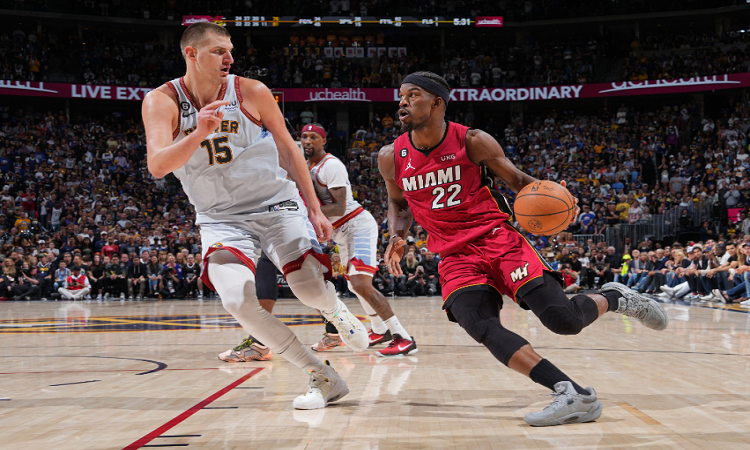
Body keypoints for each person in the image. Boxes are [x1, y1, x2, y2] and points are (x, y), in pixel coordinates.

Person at [378, 71, 669, 427]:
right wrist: (396, 236)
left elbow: (518, 181)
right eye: (401, 95)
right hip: (455, 256)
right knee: (479, 325)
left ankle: (616, 297)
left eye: (413, 95)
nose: (402, 101)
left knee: (563, 321)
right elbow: (399, 204)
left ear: (437, 102)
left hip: (498, 241)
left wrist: (560, 197)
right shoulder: (391, 156)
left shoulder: (472, 141)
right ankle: (571, 393)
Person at [141, 22, 367, 409]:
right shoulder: (162, 100)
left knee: (306, 287)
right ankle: (321, 375)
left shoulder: (251, 91)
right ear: (191, 54)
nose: (229, 58)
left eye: (230, 50)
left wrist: (315, 208)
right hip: (220, 217)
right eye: (218, 51)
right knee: (236, 299)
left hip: (275, 204)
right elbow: (158, 166)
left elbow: (290, 150)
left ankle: (333, 308)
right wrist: (198, 131)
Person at [301, 123, 416, 356]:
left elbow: (339, 207)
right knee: (354, 286)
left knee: (361, 283)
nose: (308, 141)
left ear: (324, 141)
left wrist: (306, 214)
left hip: (356, 225)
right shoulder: (306, 167)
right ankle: (379, 330)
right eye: (304, 136)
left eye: (313, 136)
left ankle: (403, 337)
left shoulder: (331, 165)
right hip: (340, 231)